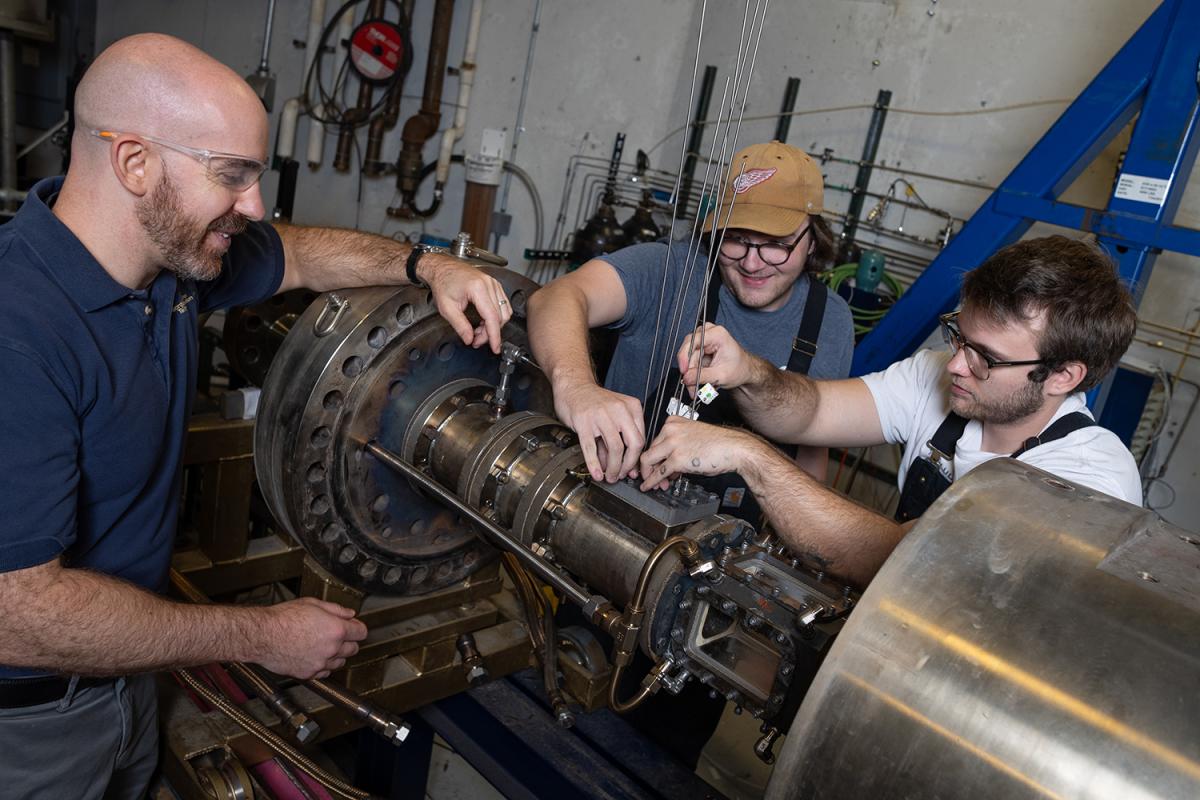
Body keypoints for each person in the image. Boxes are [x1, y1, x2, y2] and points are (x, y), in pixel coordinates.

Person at [0, 33, 513, 798]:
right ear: (134, 162)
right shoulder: (19, 328)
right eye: (232, 175)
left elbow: (300, 254)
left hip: (125, 682)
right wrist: (263, 636)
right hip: (32, 727)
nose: (255, 204)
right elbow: (20, 612)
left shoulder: (168, 262)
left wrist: (429, 266)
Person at [640, 235, 1142, 588]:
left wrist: (748, 454)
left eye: (986, 357)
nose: (958, 366)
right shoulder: (940, 374)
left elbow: (897, 561)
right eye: (958, 336)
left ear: (1063, 376)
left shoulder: (1087, 484)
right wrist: (750, 371)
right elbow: (814, 412)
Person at [528, 140, 855, 526]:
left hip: (732, 543)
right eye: (735, 239)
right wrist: (577, 387)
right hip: (611, 517)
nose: (752, 262)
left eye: (776, 245)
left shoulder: (829, 320)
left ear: (813, 239)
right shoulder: (670, 271)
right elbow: (557, 296)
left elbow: (812, 451)